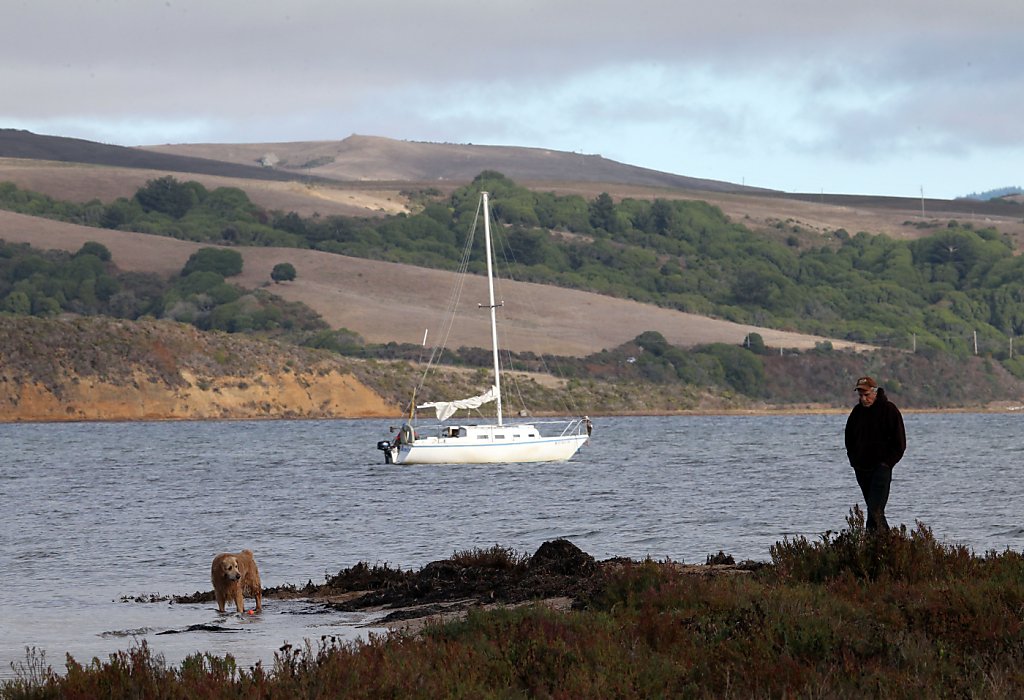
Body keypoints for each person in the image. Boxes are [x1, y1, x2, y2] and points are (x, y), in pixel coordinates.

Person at [844, 376, 906, 532]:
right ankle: (885, 546)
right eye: (860, 396)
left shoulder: (889, 410)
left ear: (875, 392)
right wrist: (854, 461)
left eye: (867, 395)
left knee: (875, 510)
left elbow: (900, 443)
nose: (864, 399)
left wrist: (887, 464)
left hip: (881, 469)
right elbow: (849, 438)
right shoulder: (857, 412)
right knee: (875, 511)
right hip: (862, 469)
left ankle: (879, 544)